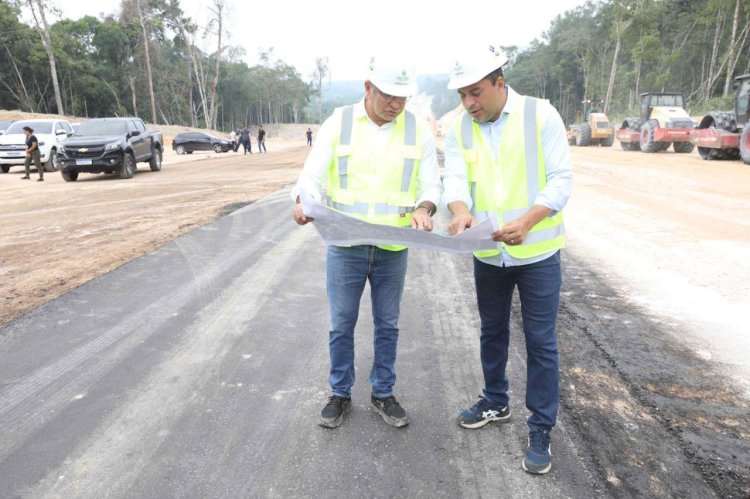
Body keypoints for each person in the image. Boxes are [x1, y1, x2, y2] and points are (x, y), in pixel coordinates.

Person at [291, 53, 442, 429]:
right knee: (342, 322)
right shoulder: (339, 123)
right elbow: (313, 175)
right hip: (346, 246)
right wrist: (303, 201)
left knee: (387, 324)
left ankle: (383, 392)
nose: (396, 104)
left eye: (403, 97)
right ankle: (340, 394)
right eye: (389, 95)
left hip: (392, 248)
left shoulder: (416, 130)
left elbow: (430, 182)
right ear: (368, 87)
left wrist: (425, 207)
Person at [442, 43, 572, 475]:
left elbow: (561, 180)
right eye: (462, 95)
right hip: (488, 253)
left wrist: (530, 221)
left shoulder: (541, 115)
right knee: (492, 331)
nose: (469, 103)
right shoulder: (462, 126)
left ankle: (541, 428)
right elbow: (456, 177)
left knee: (541, 342)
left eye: (476, 92)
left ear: (500, 83)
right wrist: (460, 211)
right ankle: (496, 401)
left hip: (537, 254)